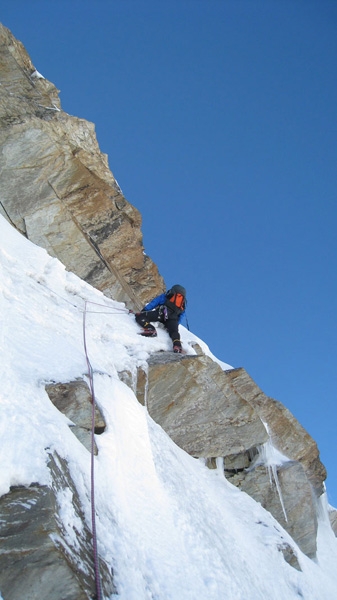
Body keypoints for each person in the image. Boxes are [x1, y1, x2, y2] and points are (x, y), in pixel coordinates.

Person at [135, 284, 186, 353]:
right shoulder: (182, 304)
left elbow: (154, 303)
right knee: (174, 332)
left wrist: (144, 311)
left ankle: (150, 329)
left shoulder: (165, 296)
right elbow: (181, 316)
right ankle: (177, 345)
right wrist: (175, 324)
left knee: (140, 316)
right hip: (172, 320)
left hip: (161, 314)